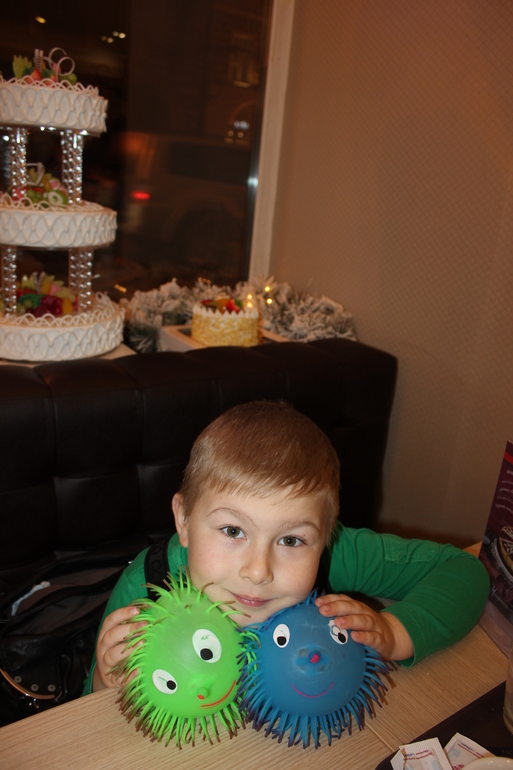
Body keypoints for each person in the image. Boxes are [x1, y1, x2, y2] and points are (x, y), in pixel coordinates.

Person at [83, 400, 489, 695]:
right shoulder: (145, 589)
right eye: (232, 530)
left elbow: (463, 571)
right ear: (184, 521)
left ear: (325, 536)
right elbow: (80, 721)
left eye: (291, 540)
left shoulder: (333, 553)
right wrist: (105, 683)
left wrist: (394, 633)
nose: (258, 571)